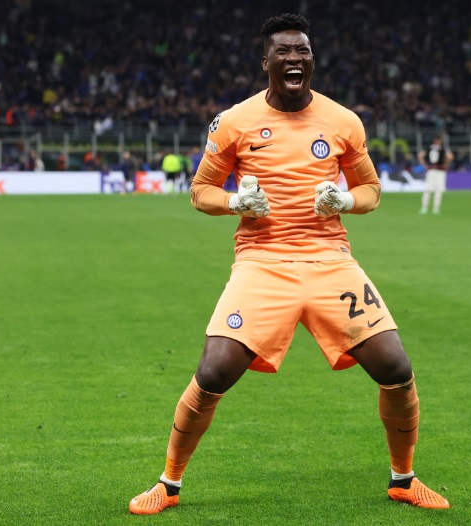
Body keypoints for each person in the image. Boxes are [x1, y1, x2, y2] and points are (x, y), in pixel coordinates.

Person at [128, 13, 450, 515]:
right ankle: (168, 484)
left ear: (312, 60)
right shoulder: (234, 122)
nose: (295, 58)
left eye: (303, 51)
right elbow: (200, 190)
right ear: (266, 62)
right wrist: (235, 202)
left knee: (396, 367)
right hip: (262, 261)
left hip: (329, 259)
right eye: (284, 51)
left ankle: (403, 478)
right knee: (214, 371)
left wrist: (345, 200)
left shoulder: (343, 121)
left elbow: (371, 189)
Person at [418, 136, 453, 214]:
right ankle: (435, 209)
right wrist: (446, 165)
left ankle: (424, 208)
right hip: (440, 170)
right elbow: (450, 157)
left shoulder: (428, 147)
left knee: (428, 189)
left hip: (431, 169)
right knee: (438, 190)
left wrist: (424, 165)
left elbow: (420, 155)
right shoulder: (443, 148)